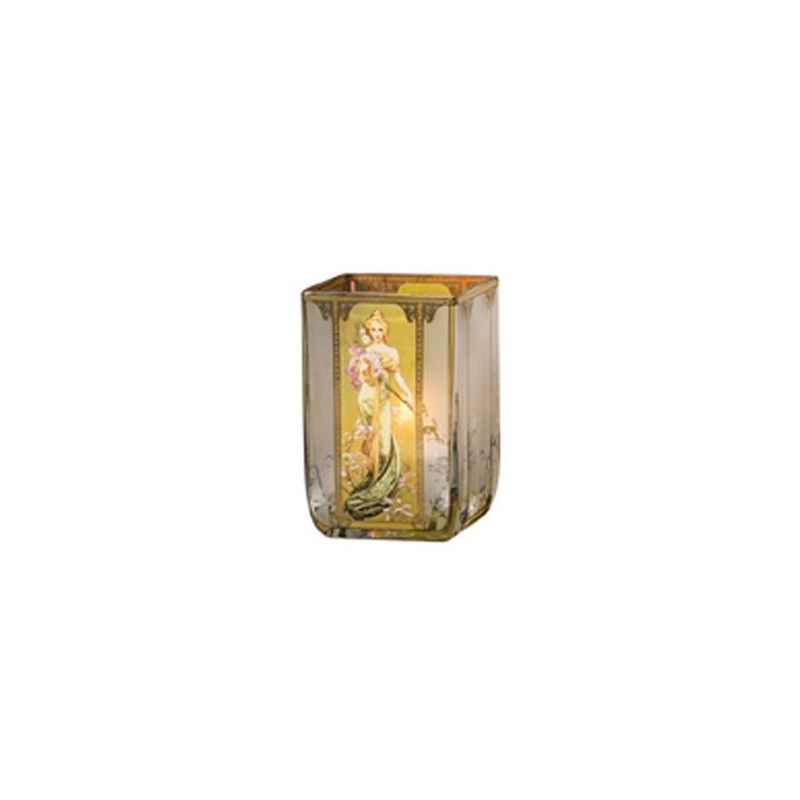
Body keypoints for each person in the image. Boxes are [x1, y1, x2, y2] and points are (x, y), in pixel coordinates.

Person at [345, 310, 413, 519]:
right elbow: (360, 378)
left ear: (385, 332)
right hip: (367, 399)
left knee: (384, 446)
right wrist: (367, 372)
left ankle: (382, 486)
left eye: (379, 330)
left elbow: (397, 376)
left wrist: (408, 394)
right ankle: (373, 481)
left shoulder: (391, 352)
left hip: (381, 402)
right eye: (372, 330)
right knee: (372, 441)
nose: (376, 333)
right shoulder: (366, 352)